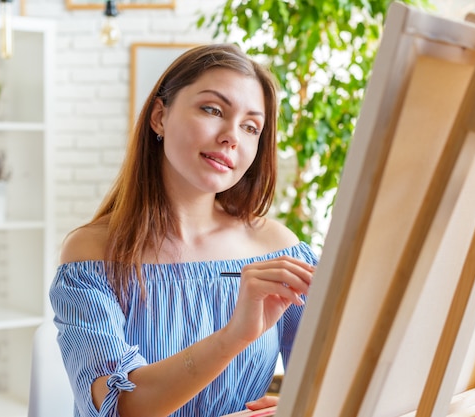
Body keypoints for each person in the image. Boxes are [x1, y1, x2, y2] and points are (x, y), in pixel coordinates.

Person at [50, 43, 318, 417]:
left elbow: (335, 381)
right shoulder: (92, 255)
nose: (232, 136)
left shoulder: (280, 249)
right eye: (212, 109)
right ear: (159, 116)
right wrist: (233, 337)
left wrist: (302, 408)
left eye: (251, 126)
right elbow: (119, 408)